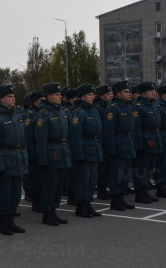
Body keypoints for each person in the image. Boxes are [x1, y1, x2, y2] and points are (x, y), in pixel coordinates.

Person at [0, 84, 28, 233]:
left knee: (16, 193)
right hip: (6, 159)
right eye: (9, 97)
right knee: (4, 193)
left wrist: (24, 156)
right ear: (1, 99)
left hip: (18, 158)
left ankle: (11, 220)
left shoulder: (17, 115)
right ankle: (3, 222)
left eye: (13, 96)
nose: (13, 98)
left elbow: (23, 141)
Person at [34, 82, 72, 226]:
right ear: (49, 97)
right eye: (57, 94)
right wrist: (42, 160)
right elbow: (41, 141)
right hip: (51, 155)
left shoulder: (62, 112)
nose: (60, 97)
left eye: (60, 94)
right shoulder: (44, 115)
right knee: (49, 186)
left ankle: (54, 211)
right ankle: (47, 213)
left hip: (62, 153)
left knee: (58, 187)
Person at [68, 83, 103, 218]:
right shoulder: (78, 112)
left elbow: (99, 133)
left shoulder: (94, 110)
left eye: (93, 94)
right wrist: (78, 154)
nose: (92, 96)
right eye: (89, 94)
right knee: (83, 180)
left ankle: (88, 203)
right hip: (84, 149)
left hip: (94, 148)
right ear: (81, 96)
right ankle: (81, 206)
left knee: (92, 179)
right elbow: (75, 136)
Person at [102, 81, 137, 211]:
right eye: (126, 92)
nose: (129, 94)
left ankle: (121, 198)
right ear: (118, 94)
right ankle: (115, 199)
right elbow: (109, 131)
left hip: (127, 143)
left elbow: (132, 129)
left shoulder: (128, 106)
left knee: (125, 174)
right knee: (117, 174)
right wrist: (111, 149)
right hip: (118, 144)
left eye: (129, 92)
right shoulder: (113, 108)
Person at [23, 90, 43, 212]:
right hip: (34, 151)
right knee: (33, 177)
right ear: (34, 102)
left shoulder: (41, 113)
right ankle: (34, 199)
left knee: (40, 178)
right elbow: (29, 137)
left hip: (40, 151)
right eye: (40, 100)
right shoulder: (30, 115)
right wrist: (32, 154)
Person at [93, 85, 113, 201]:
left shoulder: (109, 107)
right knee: (102, 168)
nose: (110, 96)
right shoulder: (99, 108)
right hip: (102, 142)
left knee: (107, 167)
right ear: (101, 96)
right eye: (107, 94)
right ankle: (101, 189)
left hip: (107, 141)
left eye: (111, 94)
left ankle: (104, 187)